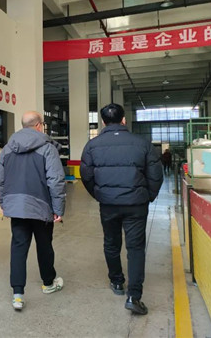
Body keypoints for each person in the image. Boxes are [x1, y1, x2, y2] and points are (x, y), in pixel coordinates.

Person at [80, 103, 163, 316]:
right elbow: (156, 174)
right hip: (136, 204)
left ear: (103, 122)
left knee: (111, 242)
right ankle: (134, 296)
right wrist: (148, 196)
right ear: (124, 120)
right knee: (135, 248)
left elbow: (86, 176)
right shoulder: (142, 143)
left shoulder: (92, 146)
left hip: (108, 204)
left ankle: (117, 282)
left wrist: (100, 195)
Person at [0, 111, 66, 311]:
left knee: (18, 247)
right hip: (41, 206)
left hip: (16, 207)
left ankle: (18, 295)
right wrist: (58, 208)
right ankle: (48, 283)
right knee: (44, 245)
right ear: (39, 125)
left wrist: (3, 202)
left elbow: (0, 179)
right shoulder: (47, 148)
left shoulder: (8, 148)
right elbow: (55, 180)